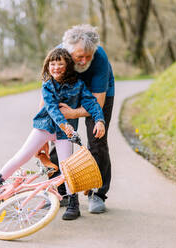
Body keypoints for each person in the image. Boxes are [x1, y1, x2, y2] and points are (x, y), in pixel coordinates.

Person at [0, 48, 106, 221]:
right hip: (44, 128)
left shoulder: (79, 85)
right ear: (48, 66)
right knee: (21, 157)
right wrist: (64, 124)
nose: (56, 68)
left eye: (60, 64)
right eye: (52, 64)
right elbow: (52, 109)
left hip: (63, 135)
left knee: (67, 168)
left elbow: (92, 104)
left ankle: (73, 204)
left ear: (68, 66)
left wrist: (99, 121)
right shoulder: (47, 85)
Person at [38, 24, 115, 214]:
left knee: (97, 140)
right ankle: (60, 191)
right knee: (58, 138)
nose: (84, 60)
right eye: (79, 56)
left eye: (88, 56)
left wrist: (72, 113)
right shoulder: (58, 56)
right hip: (67, 91)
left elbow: (97, 102)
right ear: (68, 51)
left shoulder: (100, 59)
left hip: (98, 94)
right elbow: (46, 97)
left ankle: (97, 193)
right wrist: (43, 133)